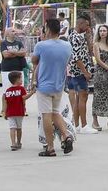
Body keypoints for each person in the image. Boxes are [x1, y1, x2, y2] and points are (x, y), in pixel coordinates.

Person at [30, 16, 75, 157]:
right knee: (56, 112)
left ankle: (50, 147)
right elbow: (69, 60)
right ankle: (66, 135)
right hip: (59, 85)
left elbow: (34, 61)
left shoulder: (41, 45)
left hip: (43, 85)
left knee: (46, 116)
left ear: (47, 29)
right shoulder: (67, 46)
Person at [65, 15, 95, 133]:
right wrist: (85, 72)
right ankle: (84, 125)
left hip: (75, 71)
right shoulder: (76, 37)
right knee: (83, 97)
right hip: (79, 71)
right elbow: (77, 57)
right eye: (86, 25)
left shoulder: (76, 36)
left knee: (78, 98)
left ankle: (77, 125)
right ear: (80, 24)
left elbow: (88, 50)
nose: (88, 27)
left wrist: (88, 38)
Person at [90, 24, 108, 131]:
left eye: (104, 31)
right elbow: (98, 60)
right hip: (100, 73)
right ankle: (95, 120)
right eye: (101, 31)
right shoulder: (96, 45)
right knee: (98, 96)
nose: (102, 32)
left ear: (107, 33)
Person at [1, 71, 28, 151]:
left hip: (10, 113)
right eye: (21, 78)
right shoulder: (21, 89)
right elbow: (24, 98)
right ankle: (19, 142)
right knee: (19, 128)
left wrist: (4, 112)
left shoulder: (8, 91)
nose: (22, 80)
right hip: (19, 111)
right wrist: (32, 93)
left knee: (12, 128)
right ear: (17, 80)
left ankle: (13, 143)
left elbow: (5, 102)